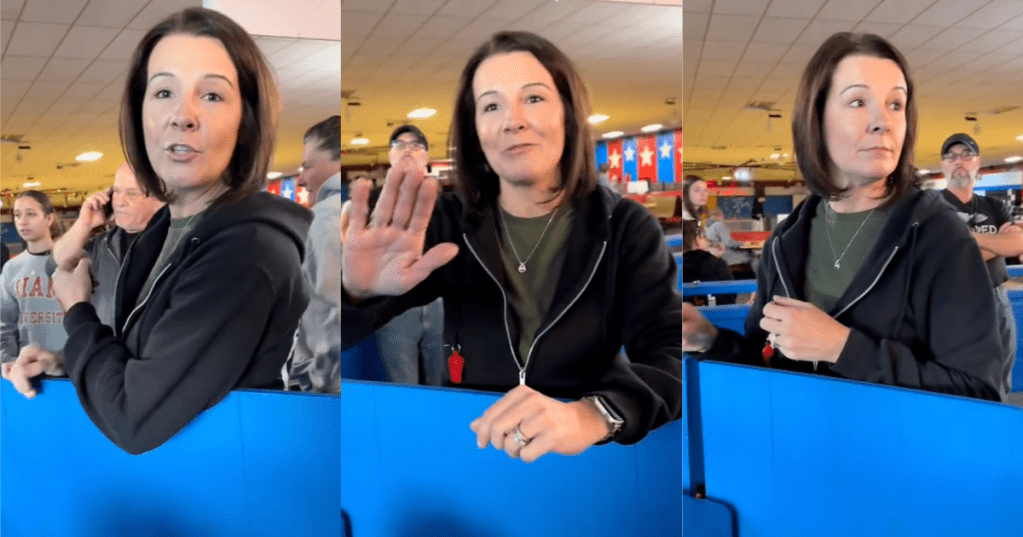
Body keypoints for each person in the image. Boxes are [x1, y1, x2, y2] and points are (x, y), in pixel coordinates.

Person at [338, 31, 685, 462]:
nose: (512, 120)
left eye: (534, 99)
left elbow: (672, 358)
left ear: (569, 114)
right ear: (475, 131)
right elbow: (333, 337)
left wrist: (591, 415)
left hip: (591, 462)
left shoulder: (626, 229)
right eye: (491, 105)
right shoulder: (445, 222)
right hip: (477, 452)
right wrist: (355, 293)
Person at [3, 7, 311, 454]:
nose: (182, 116)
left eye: (211, 96)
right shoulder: (166, 231)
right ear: (140, 113)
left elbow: (133, 417)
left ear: (245, 121)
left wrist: (77, 310)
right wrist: (67, 362)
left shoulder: (247, 254)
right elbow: (147, 360)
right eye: (163, 91)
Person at [682, 32, 1003, 401]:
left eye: (896, 104)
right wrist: (711, 339)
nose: (883, 121)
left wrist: (843, 348)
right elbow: (769, 361)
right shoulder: (786, 244)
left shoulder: (938, 236)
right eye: (857, 101)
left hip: (892, 455)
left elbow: (978, 390)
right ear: (816, 120)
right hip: (806, 450)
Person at [939, 132, 1020, 398]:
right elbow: (943, 256)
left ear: (977, 163)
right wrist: (994, 242)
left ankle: (997, 425)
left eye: (965, 155)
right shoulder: (932, 207)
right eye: (951, 156)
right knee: (959, 377)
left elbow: (1015, 245)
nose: (958, 161)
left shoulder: (994, 205)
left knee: (1002, 371)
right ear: (943, 165)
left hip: (997, 298)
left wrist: (965, 240)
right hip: (953, 302)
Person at [371, 124, 446, 386]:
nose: (407, 150)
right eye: (399, 145)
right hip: (395, 305)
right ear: (390, 156)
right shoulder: (373, 202)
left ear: (426, 156)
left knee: (442, 385)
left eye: (415, 145)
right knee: (403, 386)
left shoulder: (446, 202)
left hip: (440, 304)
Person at [52, 162, 164, 327]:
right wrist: (85, 223)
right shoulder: (104, 243)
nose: (119, 202)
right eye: (116, 191)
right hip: (103, 347)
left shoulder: (175, 242)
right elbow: (60, 261)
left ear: (160, 199)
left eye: (131, 193)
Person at [287, 115, 345, 392]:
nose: (300, 179)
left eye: (308, 166)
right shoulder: (343, 211)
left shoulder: (326, 219)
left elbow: (333, 315)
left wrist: (318, 384)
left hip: (329, 389)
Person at [0, 191, 67, 368]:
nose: (22, 221)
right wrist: (8, 363)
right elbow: (5, 326)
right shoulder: (11, 269)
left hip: (70, 369)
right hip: (26, 368)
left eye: (31, 214)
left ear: (49, 219)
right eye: (17, 215)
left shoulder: (74, 262)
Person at [681, 220, 735, 305]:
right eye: (705, 237)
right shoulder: (718, 265)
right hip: (720, 316)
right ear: (697, 240)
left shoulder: (674, 266)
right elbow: (731, 297)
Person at [704, 207, 757, 276]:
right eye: (722, 214)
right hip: (726, 256)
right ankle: (758, 279)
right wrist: (743, 243)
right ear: (719, 215)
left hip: (716, 257)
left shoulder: (707, 227)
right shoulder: (719, 225)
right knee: (751, 254)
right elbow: (728, 243)